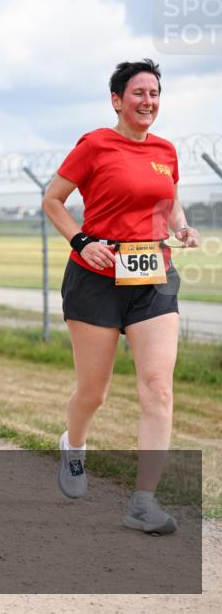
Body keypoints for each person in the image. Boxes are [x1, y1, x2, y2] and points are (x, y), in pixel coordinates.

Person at [42, 59, 202, 535]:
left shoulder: (166, 150)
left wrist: (183, 227)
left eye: (154, 93)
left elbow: (168, 200)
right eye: (138, 93)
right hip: (97, 277)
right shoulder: (94, 145)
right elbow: (53, 200)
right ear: (117, 99)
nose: (148, 101)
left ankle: (143, 501)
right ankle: (74, 444)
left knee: (158, 386)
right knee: (95, 392)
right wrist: (81, 243)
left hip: (153, 276)